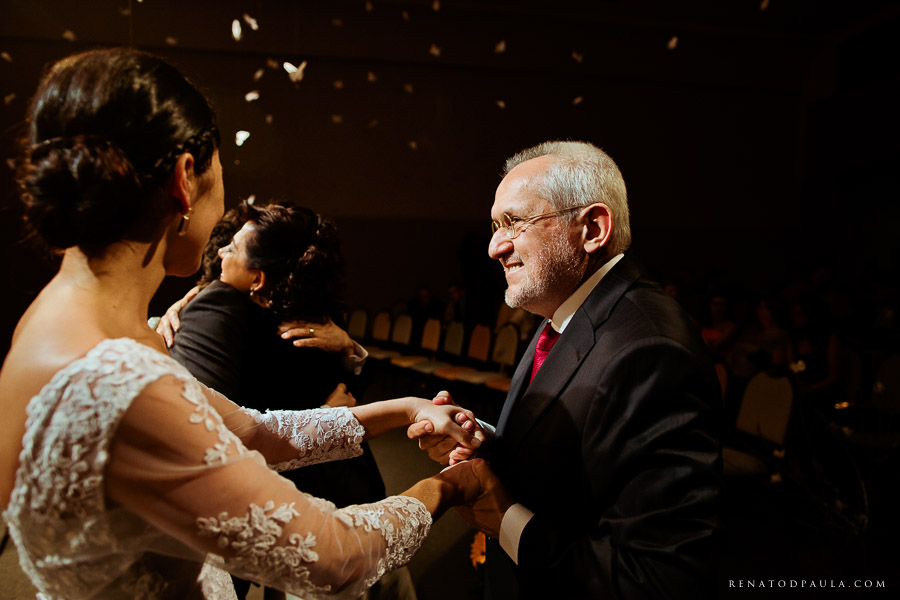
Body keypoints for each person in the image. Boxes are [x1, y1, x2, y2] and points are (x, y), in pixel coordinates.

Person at [0, 47, 488, 600]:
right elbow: (333, 556)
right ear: (186, 179)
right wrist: (450, 487)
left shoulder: (60, 322)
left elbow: (252, 431)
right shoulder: (115, 378)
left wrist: (406, 409)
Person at [410, 141, 722, 599]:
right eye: (495, 226)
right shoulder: (569, 310)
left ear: (592, 228)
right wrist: (483, 440)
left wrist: (506, 520)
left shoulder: (649, 349)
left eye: (515, 222)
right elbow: (577, 457)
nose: (496, 247)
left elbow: (657, 577)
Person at [160, 200, 410, 600]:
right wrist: (323, 416)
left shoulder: (315, 314)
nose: (223, 250)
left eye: (234, 248)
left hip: (339, 497)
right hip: (297, 507)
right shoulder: (223, 308)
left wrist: (349, 348)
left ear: (259, 277)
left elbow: (348, 391)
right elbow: (218, 423)